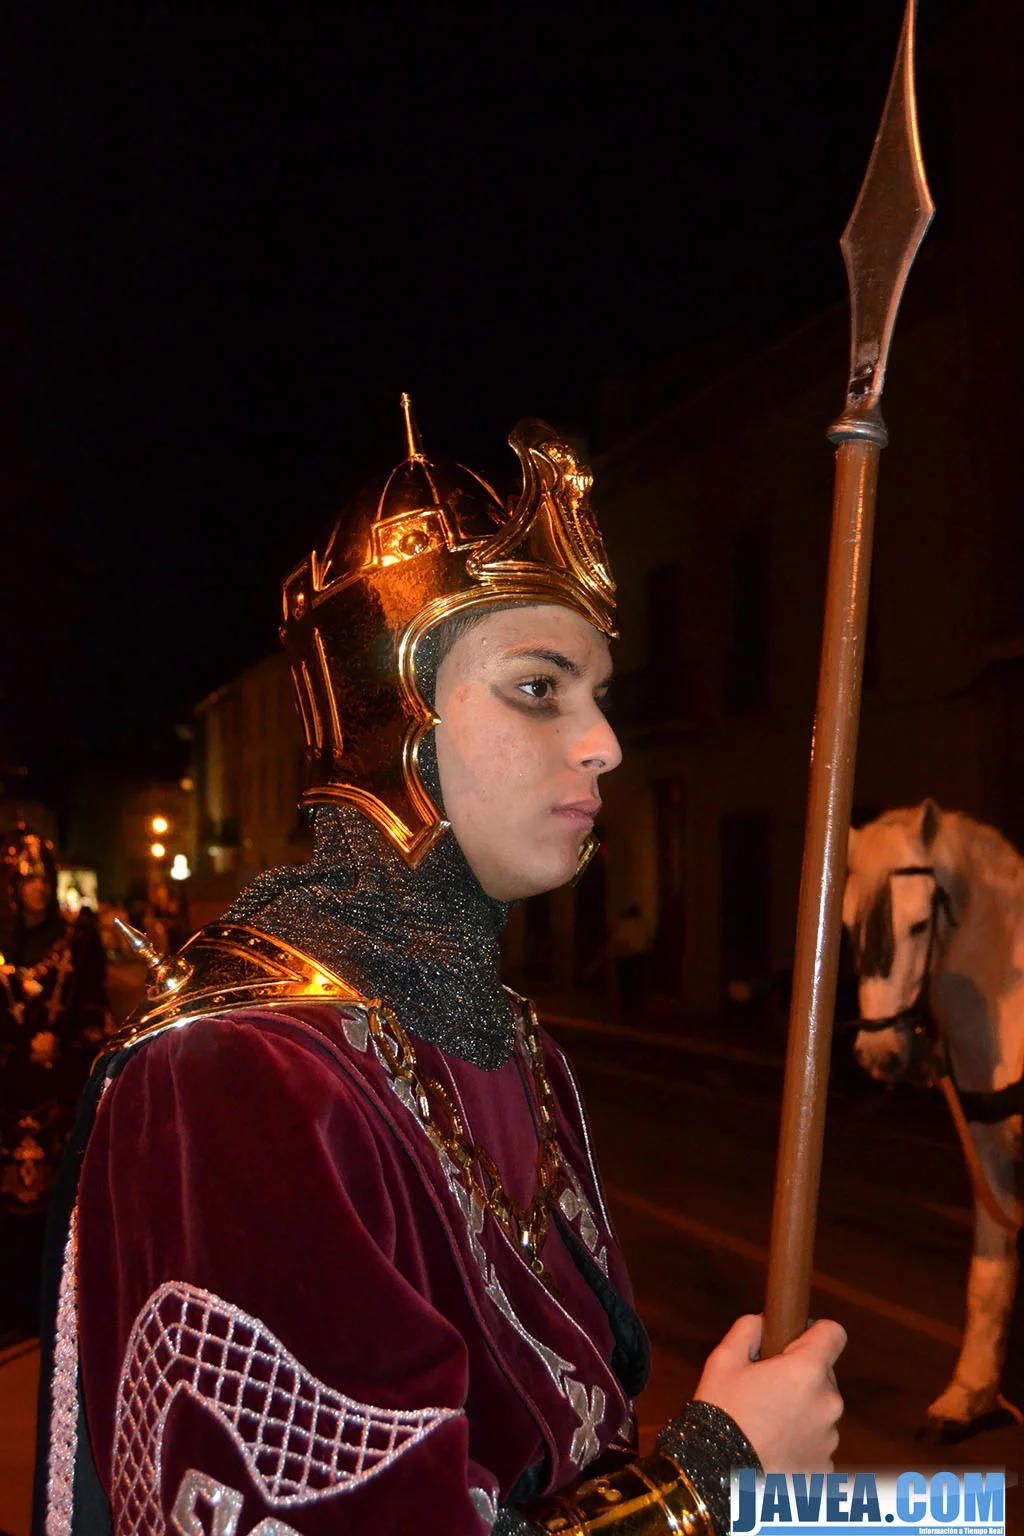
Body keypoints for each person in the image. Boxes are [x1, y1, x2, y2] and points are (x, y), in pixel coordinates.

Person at [34, 406, 844, 1536]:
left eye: (599, 692)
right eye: (537, 685)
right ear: (394, 718)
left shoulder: (519, 1049)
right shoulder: (236, 1083)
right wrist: (708, 1479)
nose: (602, 740)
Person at [0, 825, 110, 1341]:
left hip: (58, 1095)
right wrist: (18, 1050)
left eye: (43, 878)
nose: (37, 888)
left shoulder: (76, 942)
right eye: (27, 880)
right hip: (5, 1094)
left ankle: (55, 1310)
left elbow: (92, 1013)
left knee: (57, 1211)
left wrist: (63, 1049)